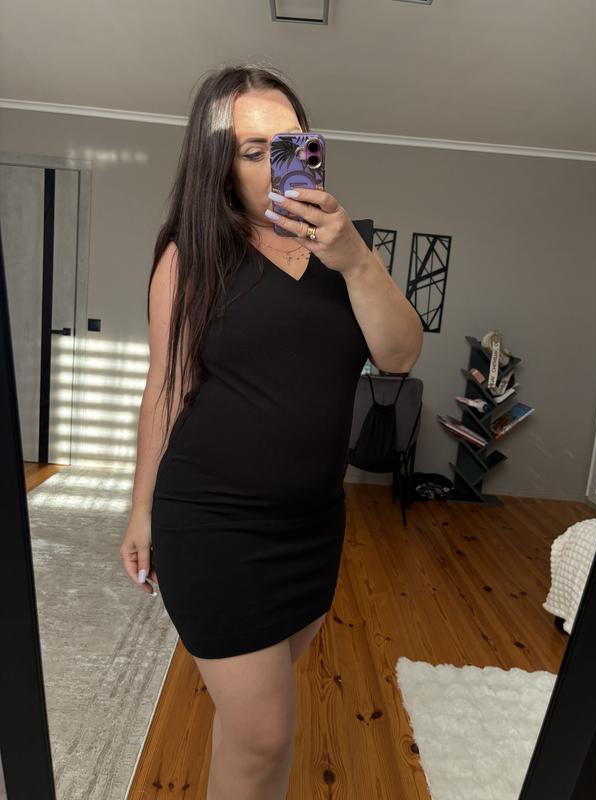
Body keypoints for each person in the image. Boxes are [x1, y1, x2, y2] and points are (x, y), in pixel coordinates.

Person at [119, 63, 385, 800]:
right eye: (251, 149)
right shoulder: (191, 255)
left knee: (247, 730)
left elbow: (398, 354)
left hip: (312, 526)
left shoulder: (349, 251)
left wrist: (355, 262)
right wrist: (140, 509)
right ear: (220, 164)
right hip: (213, 522)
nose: (275, 163)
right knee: (266, 733)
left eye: (289, 142)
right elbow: (166, 387)